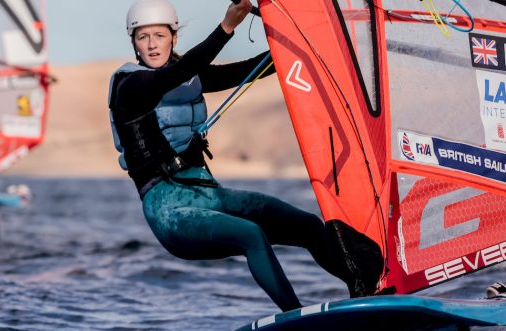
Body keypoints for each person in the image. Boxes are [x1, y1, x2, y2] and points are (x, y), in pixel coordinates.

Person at [108, 0, 355, 312]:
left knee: (307, 224)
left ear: (174, 37)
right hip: (168, 210)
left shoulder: (189, 79)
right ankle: (297, 318)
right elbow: (182, 69)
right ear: (133, 42)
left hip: (209, 194)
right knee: (250, 233)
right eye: (143, 37)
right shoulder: (130, 85)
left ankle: (365, 291)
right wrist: (227, 27)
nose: (153, 45)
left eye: (160, 35)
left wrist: (303, 42)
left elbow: (248, 70)